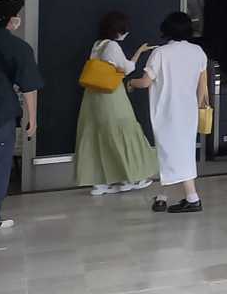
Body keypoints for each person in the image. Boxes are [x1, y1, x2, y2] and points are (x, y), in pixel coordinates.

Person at [129, 12, 208, 214]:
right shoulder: (198, 51)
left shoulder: (161, 53)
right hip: (188, 111)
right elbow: (202, 86)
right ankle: (162, 197)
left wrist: (130, 82)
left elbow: (145, 82)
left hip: (167, 111)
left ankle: (192, 198)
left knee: (171, 153)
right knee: (176, 153)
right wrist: (196, 107)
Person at [73, 11, 158, 196]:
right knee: (123, 130)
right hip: (111, 94)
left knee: (98, 135)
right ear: (118, 30)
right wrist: (139, 53)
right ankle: (130, 178)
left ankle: (100, 183)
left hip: (92, 95)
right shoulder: (112, 46)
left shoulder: (98, 44)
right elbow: (126, 68)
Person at [0, 0, 44, 229]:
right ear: (10, 20)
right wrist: (32, 119)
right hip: (0, 113)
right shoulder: (18, 47)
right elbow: (29, 86)